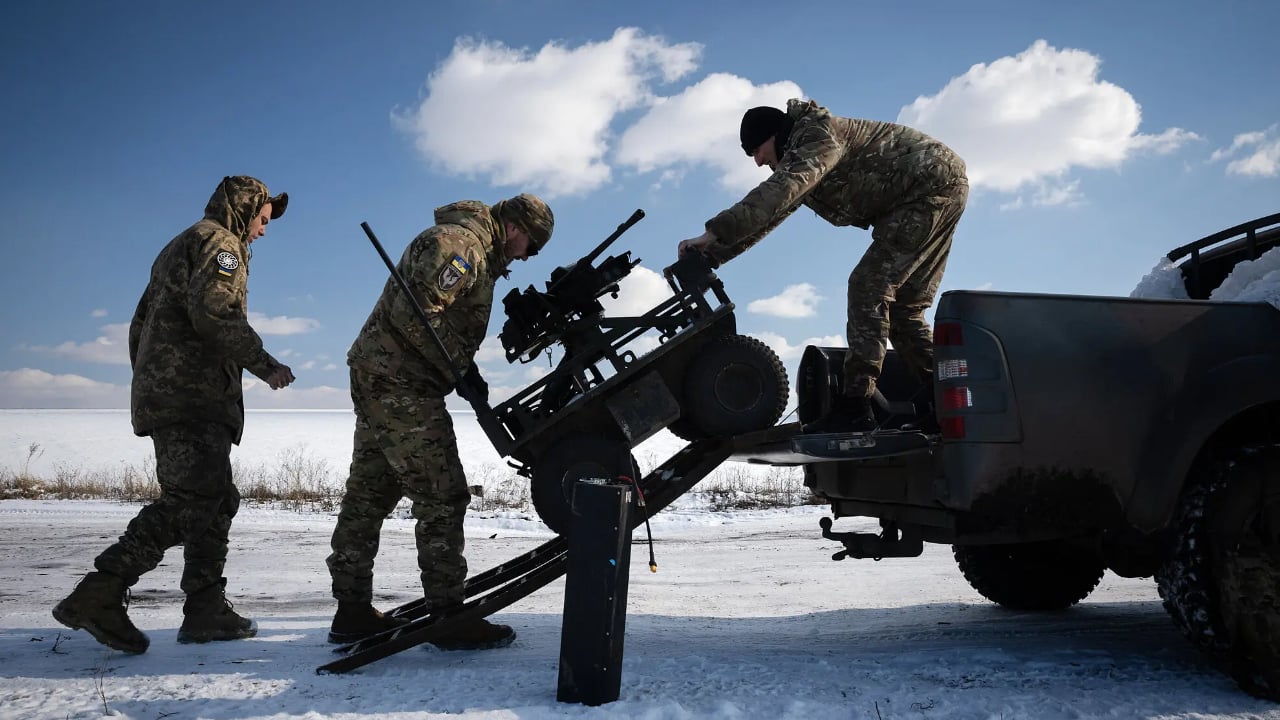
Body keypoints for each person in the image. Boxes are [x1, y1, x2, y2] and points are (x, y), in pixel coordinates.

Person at [52, 175, 296, 654]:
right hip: (193, 396)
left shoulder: (179, 246)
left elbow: (140, 324)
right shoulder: (219, 243)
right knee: (192, 499)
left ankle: (205, 609)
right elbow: (215, 313)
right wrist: (264, 365)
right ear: (244, 209)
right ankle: (100, 590)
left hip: (176, 393)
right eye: (263, 220)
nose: (264, 231)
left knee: (216, 498)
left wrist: (152, 382)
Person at [326, 193, 554, 649]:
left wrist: (463, 368)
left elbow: (433, 319)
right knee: (443, 495)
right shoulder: (460, 246)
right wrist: (459, 366)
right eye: (532, 246)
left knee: (372, 492)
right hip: (400, 382)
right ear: (515, 229)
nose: (527, 256)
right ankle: (448, 615)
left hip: (387, 375)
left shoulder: (470, 248)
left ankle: (351, 610)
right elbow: (414, 314)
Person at [679, 99, 969, 432]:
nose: (757, 162)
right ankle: (948, 400)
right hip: (936, 188)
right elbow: (775, 212)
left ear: (774, 135)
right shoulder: (802, 153)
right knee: (904, 311)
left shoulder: (818, 137)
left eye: (756, 150)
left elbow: (778, 193)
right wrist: (711, 253)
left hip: (931, 188)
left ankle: (856, 405)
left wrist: (713, 230)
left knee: (868, 285)